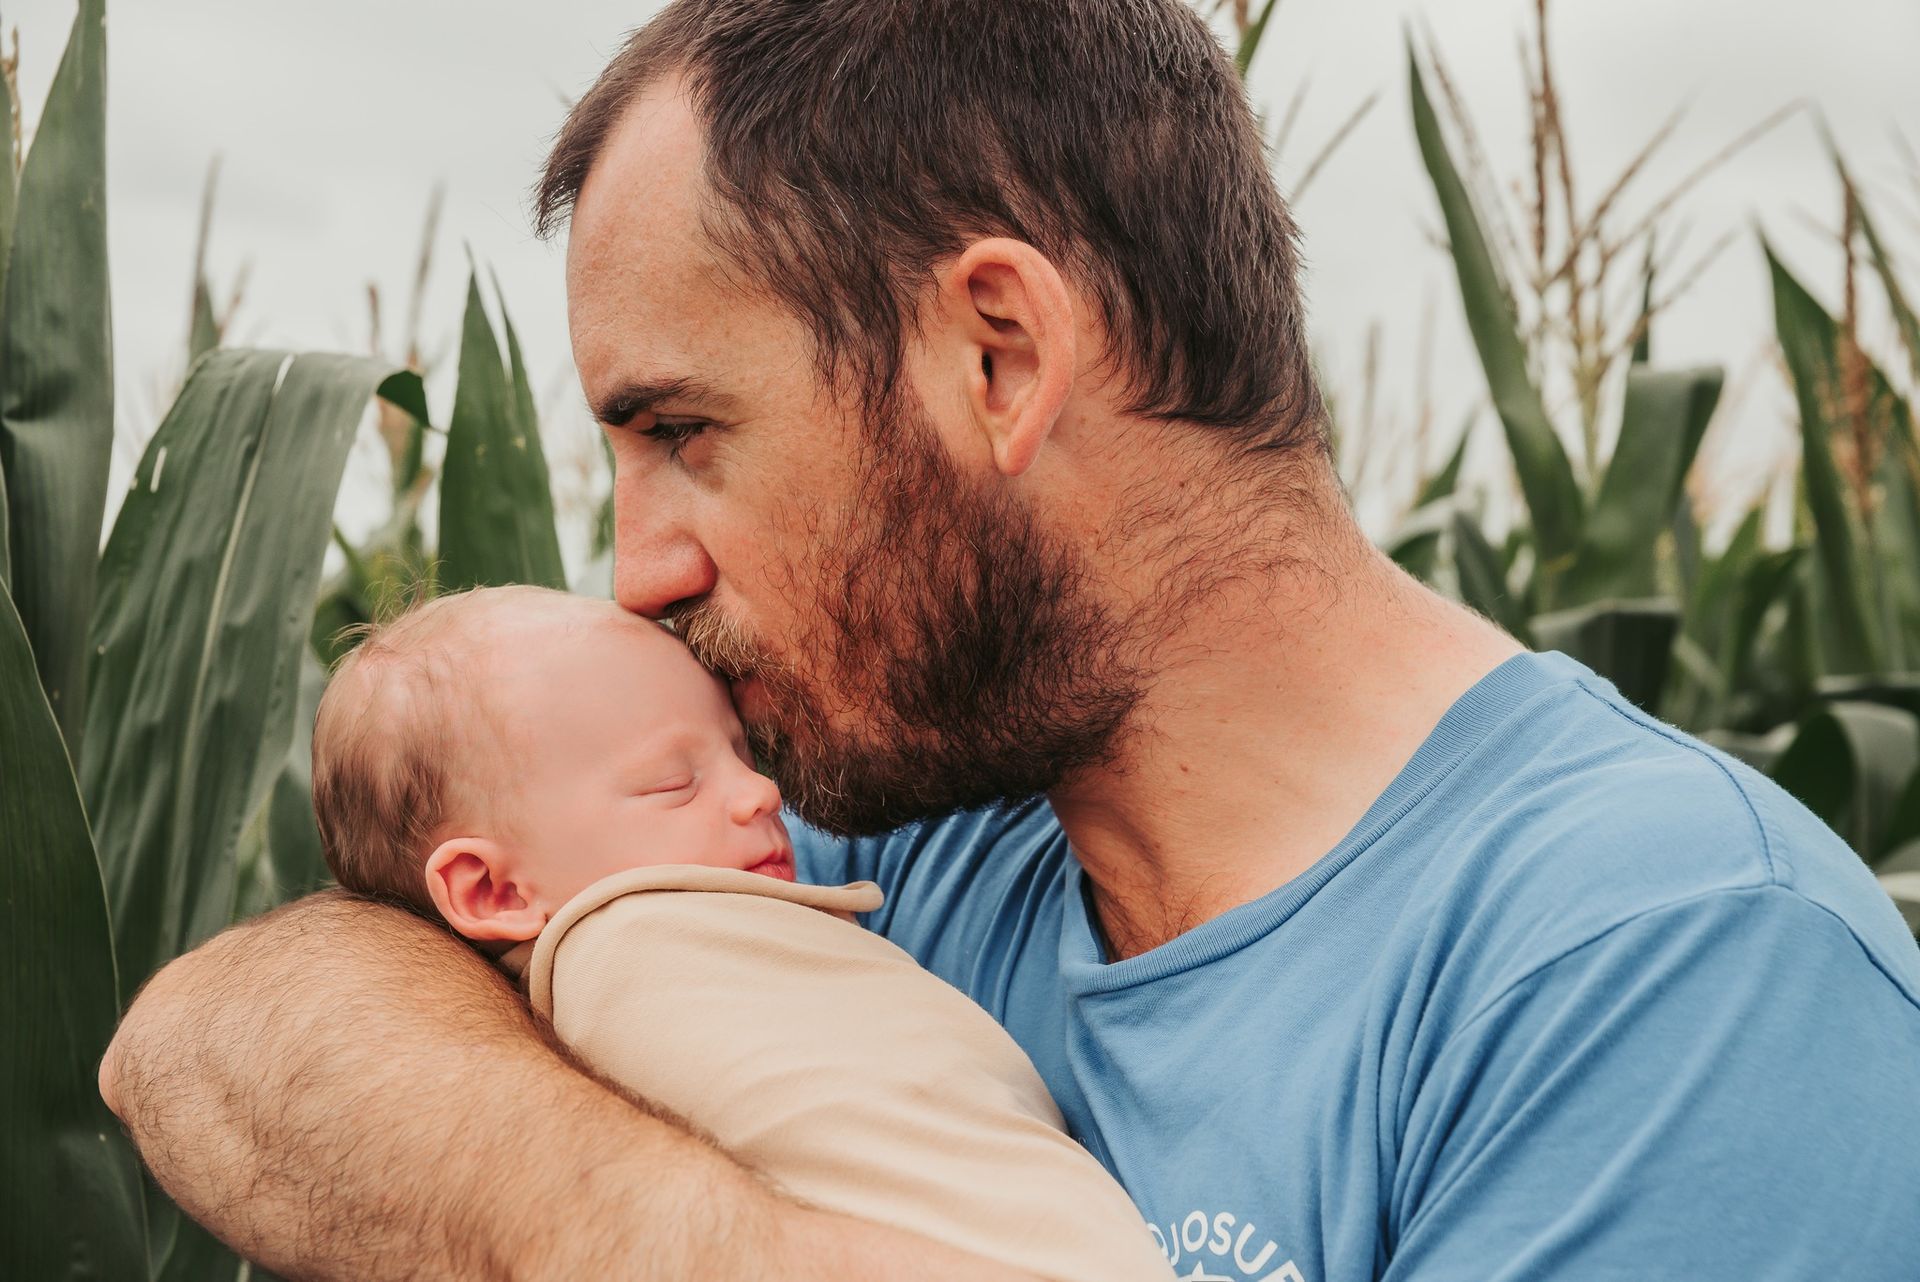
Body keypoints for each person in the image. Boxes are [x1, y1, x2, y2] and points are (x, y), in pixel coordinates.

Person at [101, 2, 1920, 1280]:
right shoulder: (906, 832)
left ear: (998, 357)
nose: (638, 565)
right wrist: (704, 1245)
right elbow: (216, 1033)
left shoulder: (1667, 977)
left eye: (682, 433)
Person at [305, 583, 1173, 1282]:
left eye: (743, 755)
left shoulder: (771, 881)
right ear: (492, 889)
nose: (762, 796)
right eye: (672, 783)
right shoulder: (629, 961)